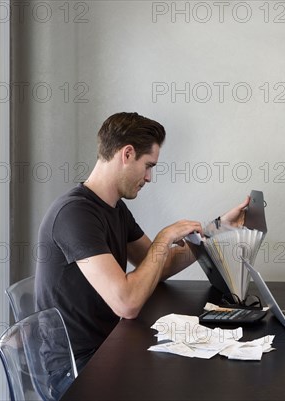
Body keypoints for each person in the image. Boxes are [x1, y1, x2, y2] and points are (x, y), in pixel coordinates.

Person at [35, 112, 249, 383]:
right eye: (148, 165)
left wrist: (218, 228)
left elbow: (160, 265)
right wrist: (164, 236)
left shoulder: (115, 209)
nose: (149, 177)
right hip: (77, 368)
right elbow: (127, 304)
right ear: (127, 154)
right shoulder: (75, 214)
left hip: (108, 347)